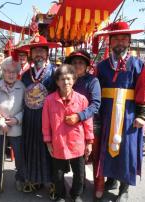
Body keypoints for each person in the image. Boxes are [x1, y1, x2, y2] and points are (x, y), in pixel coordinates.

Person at [95, 21, 145, 201]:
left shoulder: (137, 64)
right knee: (107, 147)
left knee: (127, 151)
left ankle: (124, 188)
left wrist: (142, 115)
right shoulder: (102, 66)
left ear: (129, 41)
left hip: (128, 115)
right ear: (110, 42)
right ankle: (111, 179)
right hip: (107, 113)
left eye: (123, 38)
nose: (120, 42)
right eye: (116, 39)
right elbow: (96, 90)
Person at [42, 64, 94, 202]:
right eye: (62, 79)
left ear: (74, 80)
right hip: (58, 142)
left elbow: (88, 122)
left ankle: (76, 194)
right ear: (57, 82)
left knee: (80, 173)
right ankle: (60, 194)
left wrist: (89, 142)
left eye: (69, 79)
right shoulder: (49, 100)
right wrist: (48, 141)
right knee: (58, 174)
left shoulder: (82, 99)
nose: (66, 82)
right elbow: (45, 123)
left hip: (77, 142)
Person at [20, 34, 60, 197]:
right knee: (32, 148)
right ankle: (35, 179)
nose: (38, 55)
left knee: (49, 150)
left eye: (41, 51)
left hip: (48, 118)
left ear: (47, 53)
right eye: (35, 51)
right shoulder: (25, 75)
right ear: (31, 54)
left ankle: (52, 183)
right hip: (29, 117)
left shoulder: (55, 73)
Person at [64, 49, 102, 198]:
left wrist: (80, 116)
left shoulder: (93, 81)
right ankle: (81, 183)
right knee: (78, 158)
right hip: (73, 126)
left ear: (87, 65)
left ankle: (99, 184)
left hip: (91, 124)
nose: (77, 65)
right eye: (74, 62)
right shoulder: (67, 80)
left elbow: (96, 104)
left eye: (81, 62)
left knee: (94, 156)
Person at [0, 57, 25, 193]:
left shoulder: (22, 87)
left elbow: (25, 108)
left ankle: (20, 178)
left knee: (20, 155)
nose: (11, 75)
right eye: (7, 71)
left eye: (14, 72)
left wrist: (17, 119)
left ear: (17, 73)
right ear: (3, 71)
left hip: (16, 126)